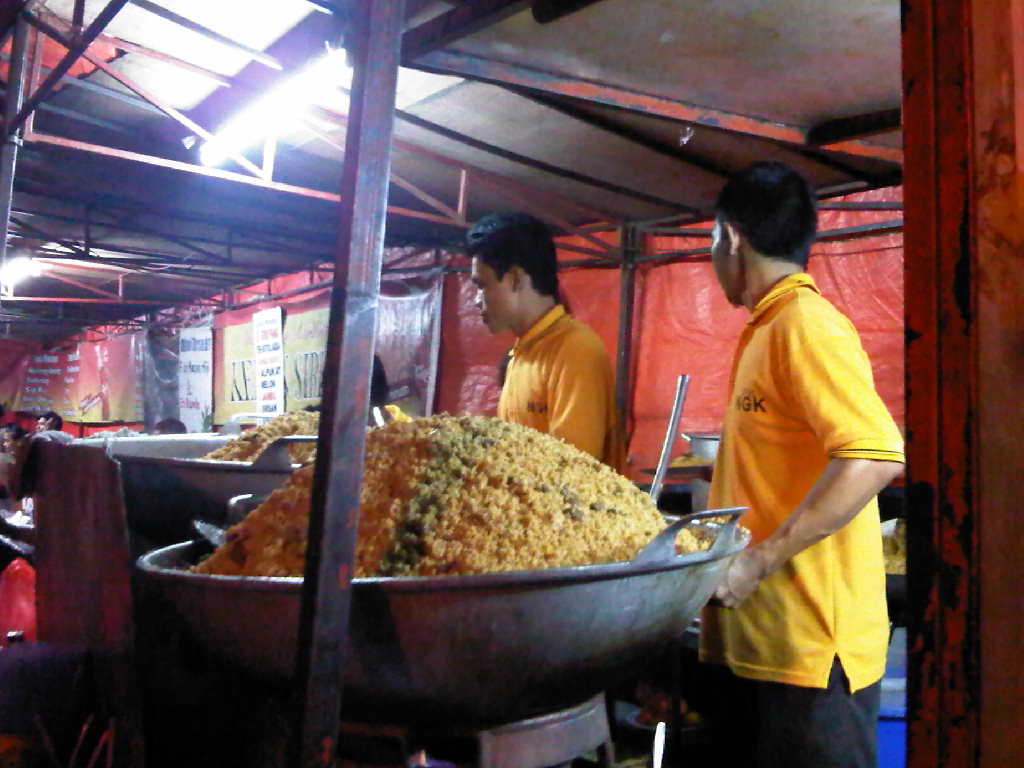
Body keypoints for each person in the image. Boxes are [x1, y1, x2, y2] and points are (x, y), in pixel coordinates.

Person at [698, 161, 905, 768]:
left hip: (814, 654)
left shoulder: (806, 325)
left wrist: (761, 557)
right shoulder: (766, 325)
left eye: (711, 241)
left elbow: (873, 455)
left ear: (731, 236)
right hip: (769, 639)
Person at [467, 212, 625, 471]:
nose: (475, 299)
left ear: (516, 279)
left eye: (481, 285)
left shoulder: (575, 350)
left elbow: (573, 472)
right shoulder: (521, 354)